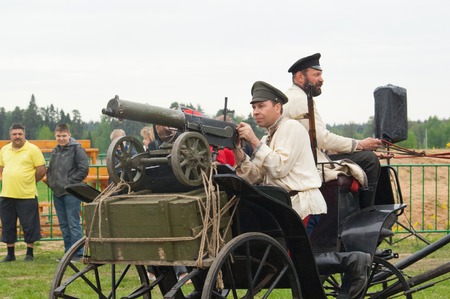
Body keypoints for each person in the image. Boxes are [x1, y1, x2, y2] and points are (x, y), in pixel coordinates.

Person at [233, 81, 370, 299]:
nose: (256, 112)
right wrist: (239, 151)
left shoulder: (291, 129)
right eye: (253, 107)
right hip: (286, 207)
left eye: (261, 106)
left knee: (291, 262)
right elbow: (255, 175)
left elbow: (278, 167)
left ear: (277, 107)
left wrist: (252, 140)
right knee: (289, 262)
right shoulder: (270, 136)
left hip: (302, 205)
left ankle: (354, 261)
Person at [283, 53, 383, 208]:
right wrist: (361, 144)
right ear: (300, 77)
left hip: (306, 159)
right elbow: (322, 138)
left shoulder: (293, 97)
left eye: (321, 75)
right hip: (307, 164)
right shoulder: (300, 100)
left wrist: (354, 149)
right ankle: (366, 214)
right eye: (316, 75)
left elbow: (314, 140)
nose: (321, 79)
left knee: (365, 156)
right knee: (369, 160)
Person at [0, 123, 46, 262]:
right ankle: (10, 254)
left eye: (20, 134)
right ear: (10, 135)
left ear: (24, 134)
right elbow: (2, 167)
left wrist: (29, 181)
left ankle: (29, 253)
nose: (17, 136)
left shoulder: (33, 149)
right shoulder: (4, 150)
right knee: (8, 224)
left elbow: (41, 169)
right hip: (7, 194)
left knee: (29, 225)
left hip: (27, 194)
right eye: (14, 134)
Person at [46, 124, 89, 261]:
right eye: (58, 136)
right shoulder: (55, 150)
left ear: (69, 135)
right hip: (57, 191)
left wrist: (70, 182)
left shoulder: (77, 149)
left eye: (64, 136)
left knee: (73, 223)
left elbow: (83, 169)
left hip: (71, 192)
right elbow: (51, 168)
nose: (61, 138)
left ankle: (78, 253)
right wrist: (51, 180)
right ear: (55, 136)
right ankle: (68, 253)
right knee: (64, 224)